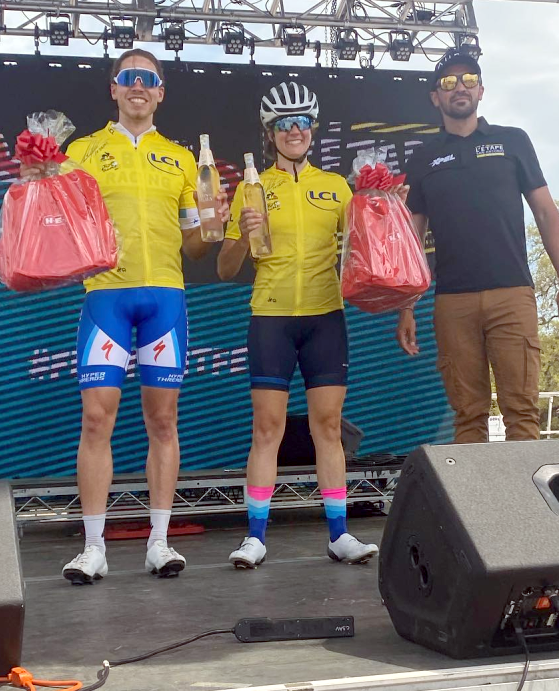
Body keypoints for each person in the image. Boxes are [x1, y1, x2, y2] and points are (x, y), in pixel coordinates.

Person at [28, 49, 229, 583]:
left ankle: (159, 543)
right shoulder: (84, 150)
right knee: (97, 420)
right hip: (106, 297)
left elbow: (197, 249)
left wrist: (213, 225)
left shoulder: (184, 159)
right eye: (128, 78)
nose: (138, 86)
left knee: (163, 421)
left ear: (161, 93)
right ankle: (93, 547)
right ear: (113, 89)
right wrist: (36, 173)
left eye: (149, 79)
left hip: (165, 295)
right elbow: (51, 213)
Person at [216, 82, 381, 568]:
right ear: (270, 133)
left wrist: (381, 202)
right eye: (284, 124)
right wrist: (242, 238)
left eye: (302, 123)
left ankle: (339, 534)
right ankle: (255, 537)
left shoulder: (336, 187)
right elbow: (225, 269)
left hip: (325, 317)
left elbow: (366, 249)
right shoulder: (253, 188)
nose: (294, 131)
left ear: (312, 129)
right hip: (270, 316)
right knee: (266, 428)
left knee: (327, 427)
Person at [399, 49, 559, 443]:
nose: (459, 88)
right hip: (452, 301)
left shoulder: (513, 141)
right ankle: (473, 507)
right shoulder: (423, 157)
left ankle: (528, 506)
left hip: (512, 293)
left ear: (481, 90)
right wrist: (407, 306)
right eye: (448, 83)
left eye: (468, 80)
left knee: (522, 413)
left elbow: (546, 213)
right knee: (467, 416)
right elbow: (411, 239)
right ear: (436, 97)